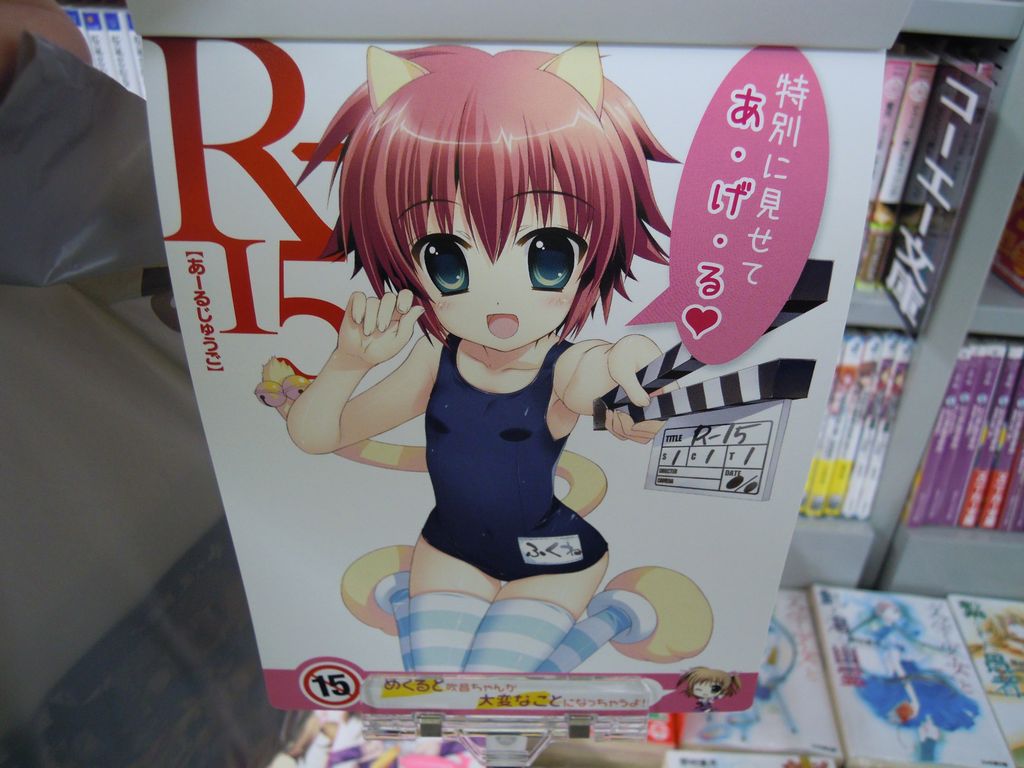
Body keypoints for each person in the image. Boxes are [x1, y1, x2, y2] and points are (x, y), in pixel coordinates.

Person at [287, 43, 673, 673]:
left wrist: (634, 357)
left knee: (494, 683)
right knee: (441, 686)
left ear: (590, 256)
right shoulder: (434, 357)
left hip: (553, 556)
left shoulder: (562, 368)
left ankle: (609, 616)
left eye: (548, 256)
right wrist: (348, 362)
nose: (498, 305)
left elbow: (600, 371)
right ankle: (602, 620)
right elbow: (315, 436)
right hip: (451, 548)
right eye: (447, 260)